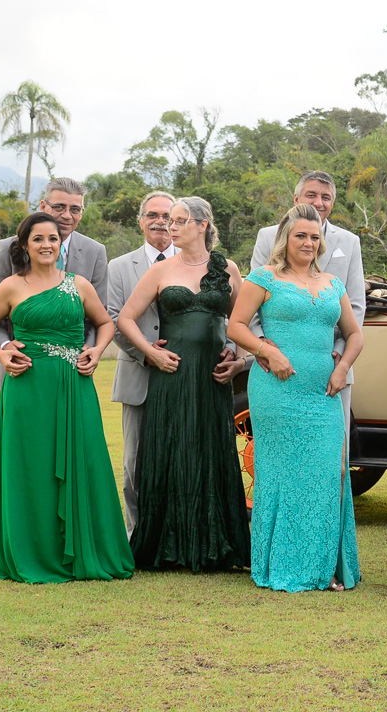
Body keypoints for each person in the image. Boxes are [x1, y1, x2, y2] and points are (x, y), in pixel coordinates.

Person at [0, 212, 133, 583]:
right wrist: (2, 352)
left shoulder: (78, 284)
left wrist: (96, 350)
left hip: (74, 385)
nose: (46, 245)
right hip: (27, 387)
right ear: (25, 246)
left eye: (52, 239)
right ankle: (35, 551)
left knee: (86, 461)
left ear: (61, 244)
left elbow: (105, 322)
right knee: (32, 468)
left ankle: (83, 549)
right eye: (38, 239)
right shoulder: (11, 286)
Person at [228, 204, 364, 593]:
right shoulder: (264, 277)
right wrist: (266, 352)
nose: (308, 242)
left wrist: (342, 369)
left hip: (324, 392)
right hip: (277, 390)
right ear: (285, 239)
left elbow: (354, 334)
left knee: (329, 473)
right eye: (300, 235)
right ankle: (286, 564)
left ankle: (327, 566)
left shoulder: (332, 283)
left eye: (314, 236)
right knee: (284, 473)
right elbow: (236, 325)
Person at [116, 197, 251, 572]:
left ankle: (213, 546)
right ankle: (168, 546)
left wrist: (238, 357)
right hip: (171, 374)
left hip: (211, 377)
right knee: (170, 450)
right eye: (168, 221)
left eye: (179, 221)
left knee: (209, 450)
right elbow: (125, 318)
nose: (170, 228)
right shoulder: (161, 270)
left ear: (203, 225)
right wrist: (150, 353)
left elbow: (243, 321)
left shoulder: (229, 269)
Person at [250, 171, 364, 439]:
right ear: (296, 198)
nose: (319, 202)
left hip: (332, 369)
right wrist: (261, 345)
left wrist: (339, 354)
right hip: (279, 367)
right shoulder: (267, 236)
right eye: (312, 195)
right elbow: (250, 301)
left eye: (326, 197)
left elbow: (357, 305)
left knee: (332, 450)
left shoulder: (349, 242)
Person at [0, 177, 108, 389]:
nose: (67, 215)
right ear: (43, 206)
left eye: (75, 209)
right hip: (20, 366)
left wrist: (91, 348)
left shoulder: (95, 252)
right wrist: (5, 347)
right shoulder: (8, 247)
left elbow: (100, 315)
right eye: (59, 207)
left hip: (74, 370)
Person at [107, 190, 177, 537]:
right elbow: (113, 319)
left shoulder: (199, 262)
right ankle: (136, 536)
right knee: (134, 462)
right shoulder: (119, 267)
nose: (160, 222)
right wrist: (147, 351)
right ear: (140, 221)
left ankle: (174, 536)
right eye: (153, 215)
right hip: (138, 373)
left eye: (168, 216)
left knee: (179, 458)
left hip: (185, 376)